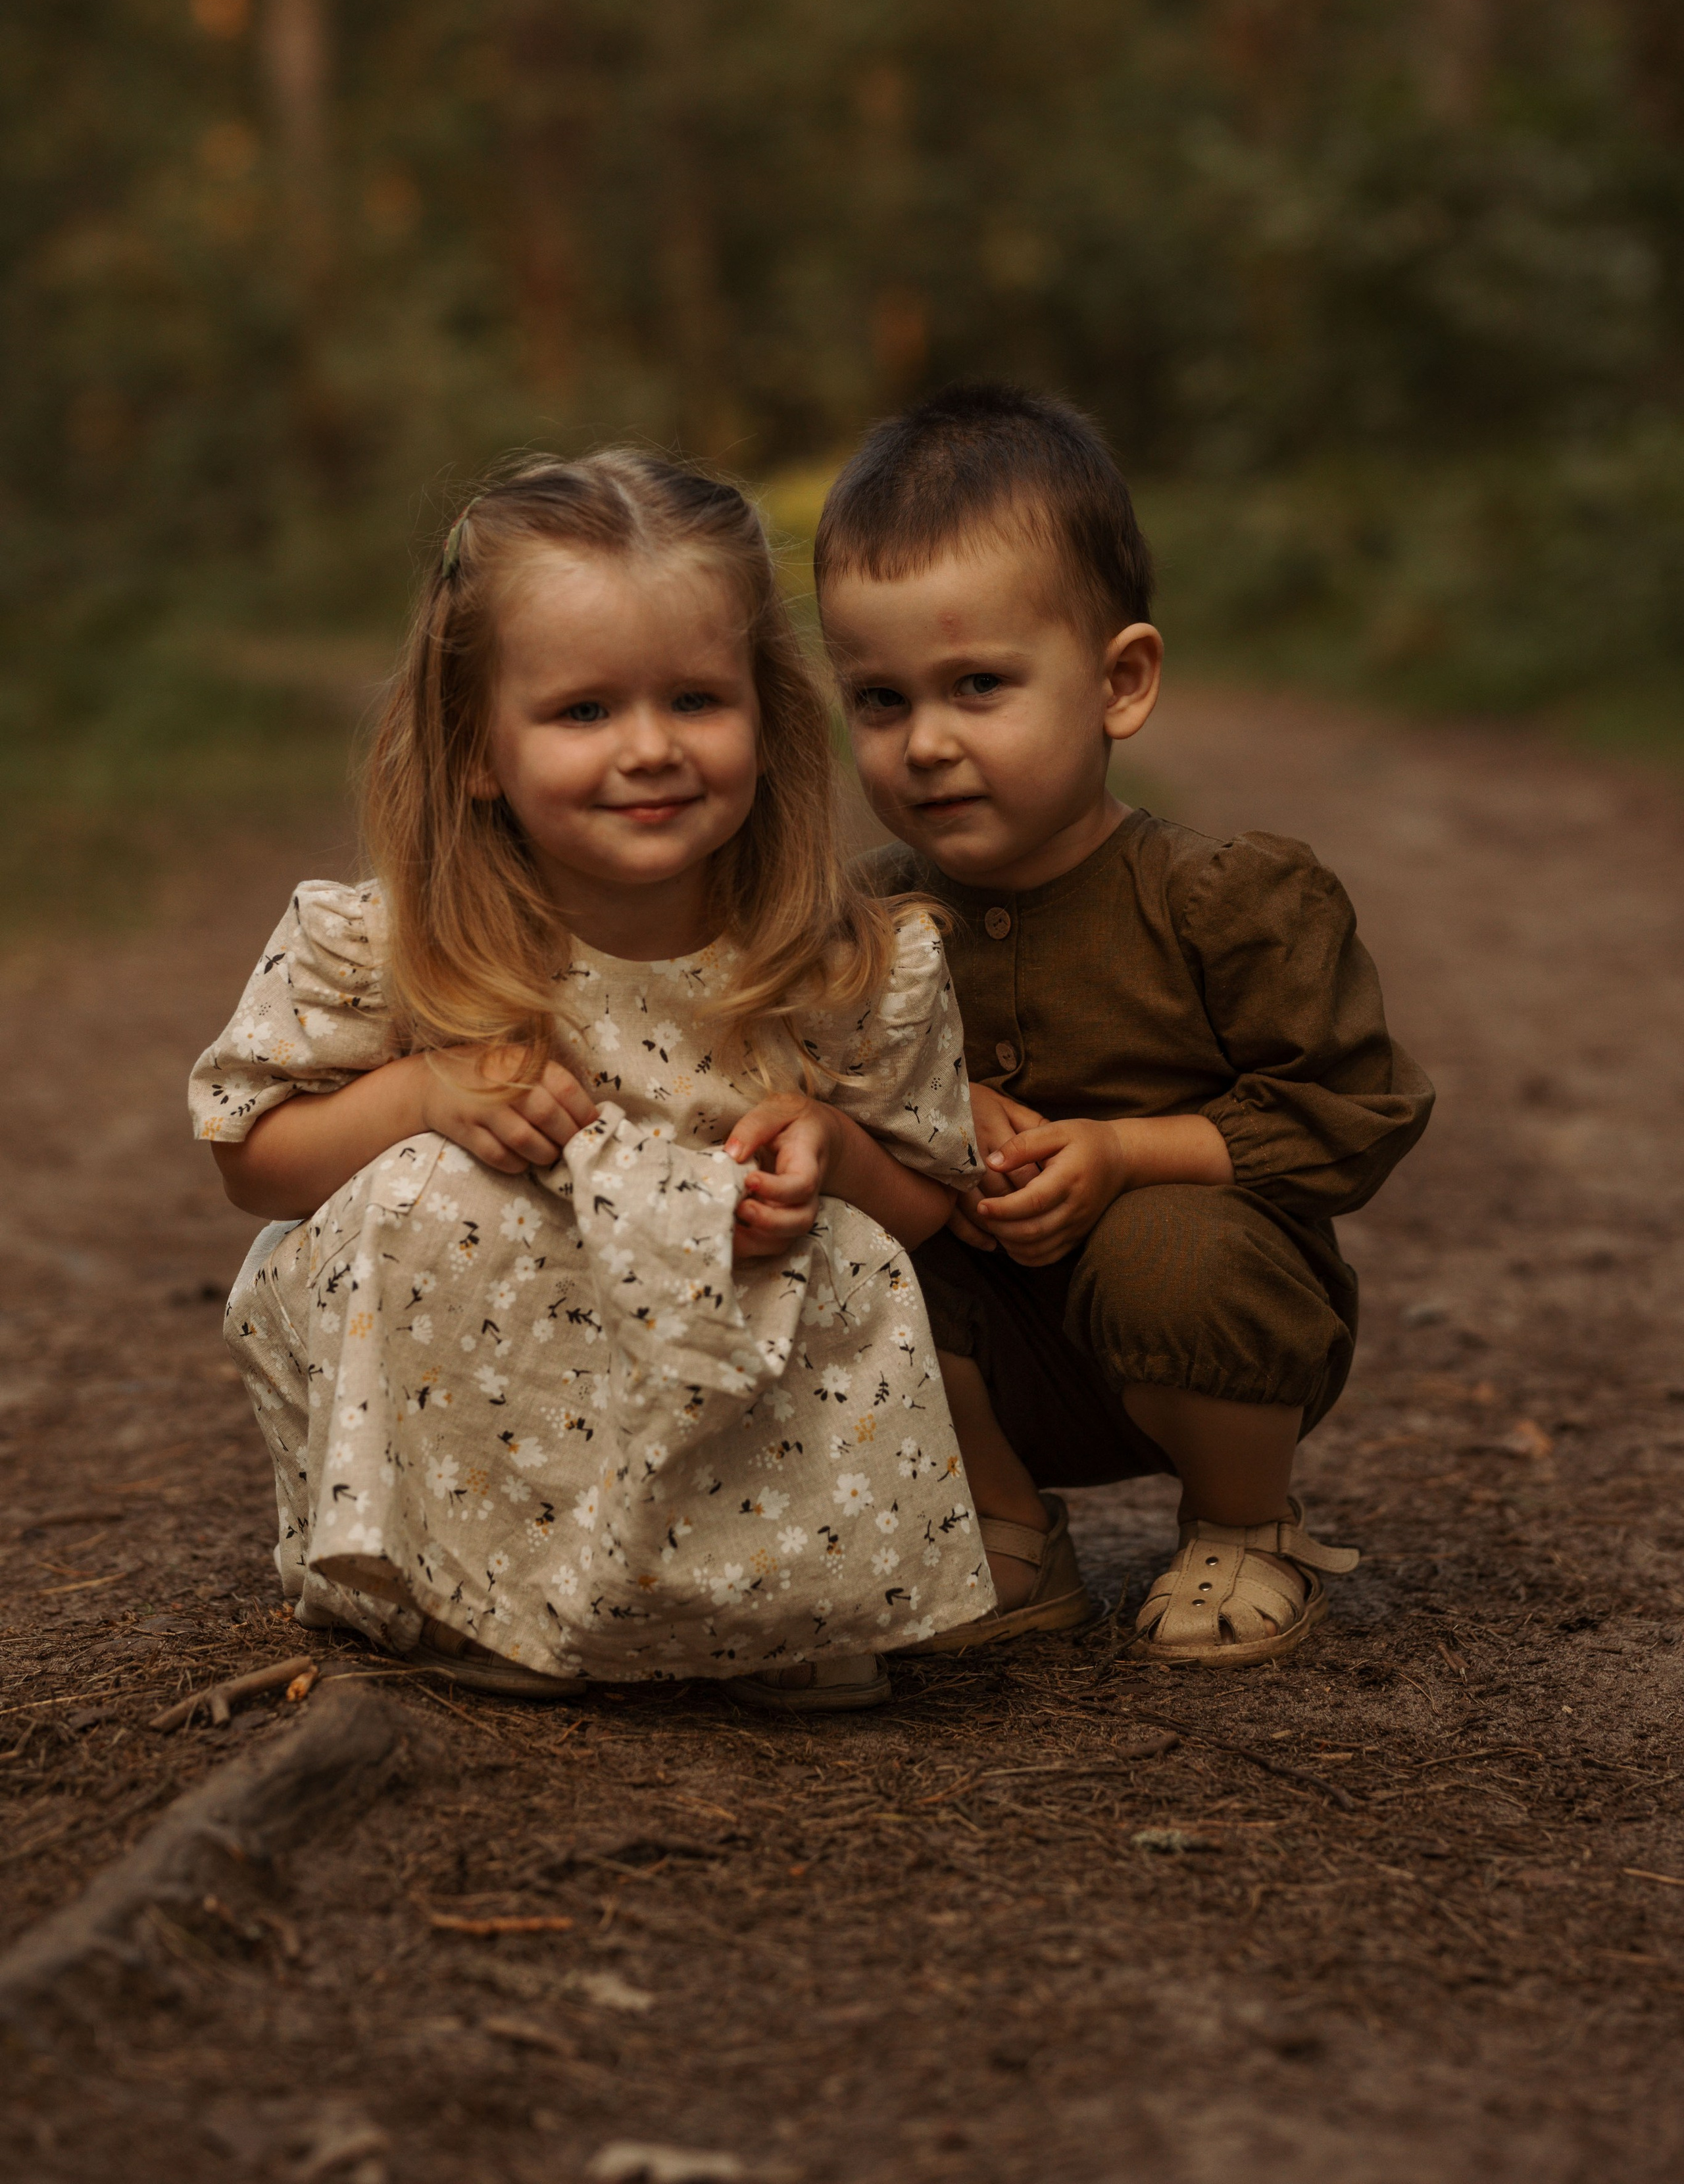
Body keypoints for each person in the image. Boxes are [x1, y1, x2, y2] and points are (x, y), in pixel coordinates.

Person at [190, 452, 993, 1711]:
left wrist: (834, 1152)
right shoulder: (397, 944)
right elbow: (252, 1160)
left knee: (842, 1255)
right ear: (477, 750)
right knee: (428, 1195)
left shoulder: (839, 964)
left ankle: (768, 1603)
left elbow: (933, 1210)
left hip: (724, 1366)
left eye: (695, 700)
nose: (650, 750)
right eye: (583, 712)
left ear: (768, 719)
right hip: (494, 1393)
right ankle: (476, 1595)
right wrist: (420, 1097)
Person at [813, 384, 1435, 1666]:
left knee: (1170, 1243)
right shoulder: (856, 921)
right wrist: (914, 1117)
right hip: (981, 1346)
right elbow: (786, 1080)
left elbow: (1348, 1120)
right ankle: (1000, 1533)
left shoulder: (1221, 901)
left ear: (1119, 682)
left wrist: (1120, 1155)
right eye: (880, 701)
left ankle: (1242, 1528)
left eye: (979, 686)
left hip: (1206, 1333)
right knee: (825, 1219)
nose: (924, 744)